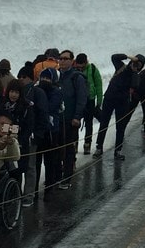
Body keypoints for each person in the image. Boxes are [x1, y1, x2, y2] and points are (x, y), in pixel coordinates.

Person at [93, 54, 145, 160]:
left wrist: (134, 70)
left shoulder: (136, 75)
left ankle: (118, 150)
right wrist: (128, 57)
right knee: (104, 124)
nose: (136, 65)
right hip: (109, 98)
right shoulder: (121, 67)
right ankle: (99, 147)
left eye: (139, 64)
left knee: (120, 127)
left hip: (123, 102)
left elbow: (135, 85)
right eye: (135, 62)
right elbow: (114, 57)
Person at [17, 62, 49, 207]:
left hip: (31, 135)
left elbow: (42, 114)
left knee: (30, 166)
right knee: (16, 164)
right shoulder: (18, 91)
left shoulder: (37, 92)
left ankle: (29, 194)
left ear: (30, 78)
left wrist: (38, 133)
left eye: (23, 77)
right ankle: (16, 193)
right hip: (17, 135)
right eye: (19, 77)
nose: (21, 79)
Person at [57, 49, 88, 189]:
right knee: (56, 148)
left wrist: (77, 116)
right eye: (61, 58)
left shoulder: (77, 77)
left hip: (70, 120)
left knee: (69, 148)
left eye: (65, 58)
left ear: (71, 61)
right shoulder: (56, 76)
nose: (62, 61)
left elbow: (82, 98)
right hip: (56, 120)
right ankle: (56, 175)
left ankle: (66, 177)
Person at [37, 68, 63, 201]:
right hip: (39, 131)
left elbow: (49, 108)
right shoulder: (36, 90)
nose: (44, 81)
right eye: (43, 78)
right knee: (36, 162)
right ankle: (35, 191)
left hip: (52, 131)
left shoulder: (56, 92)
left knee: (50, 161)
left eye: (47, 78)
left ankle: (50, 188)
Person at [74, 53, 103, 156]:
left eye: (82, 65)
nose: (80, 67)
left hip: (89, 100)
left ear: (86, 62)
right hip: (77, 100)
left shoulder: (92, 69)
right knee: (76, 122)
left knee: (88, 122)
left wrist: (99, 101)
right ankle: (75, 144)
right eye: (78, 65)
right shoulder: (74, 69)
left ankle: (87, 144)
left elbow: (98, 84)